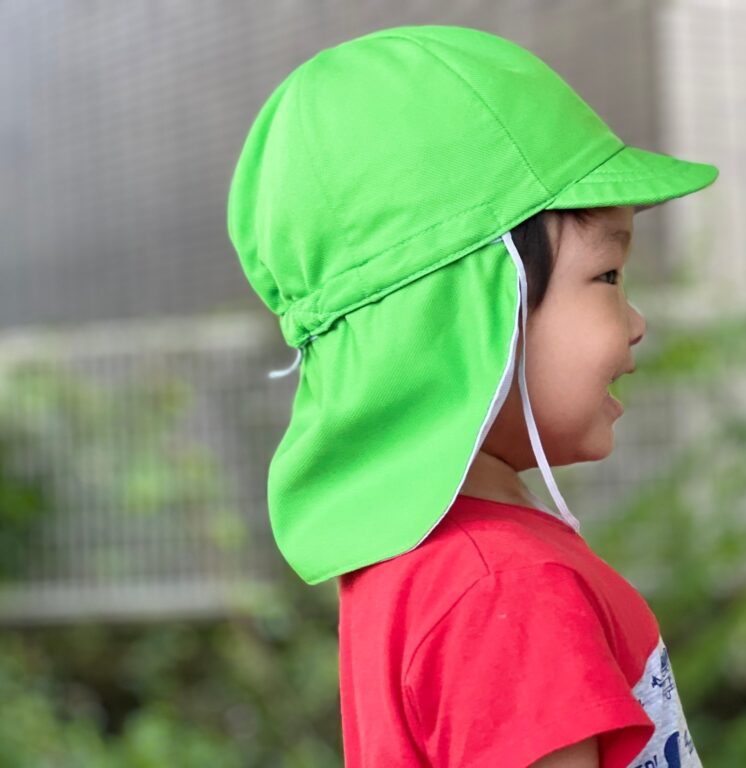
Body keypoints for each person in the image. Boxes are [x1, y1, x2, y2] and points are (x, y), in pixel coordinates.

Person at [226, 23, 719, 767]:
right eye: (608, 276)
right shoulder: (503, 588)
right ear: (476, 308)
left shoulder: (427, 563)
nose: (636, 322)